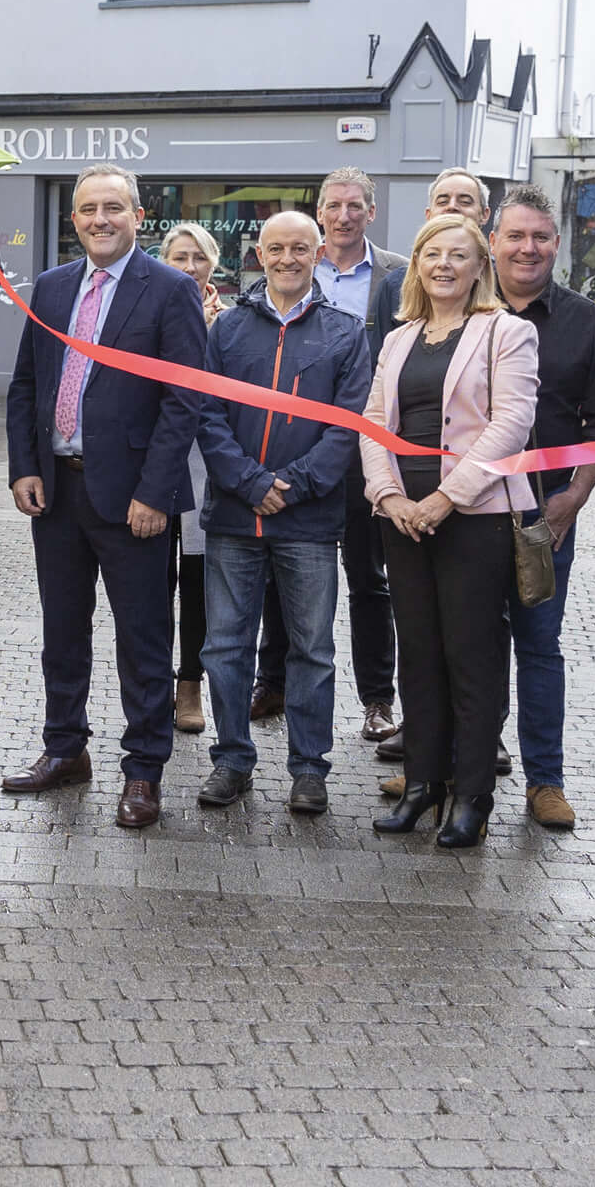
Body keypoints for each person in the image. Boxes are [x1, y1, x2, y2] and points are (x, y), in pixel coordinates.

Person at [1, 165, 206, 831]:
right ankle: (66, 750)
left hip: (135, 502)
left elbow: (185, 400)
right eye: (87, 209)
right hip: (57, 491)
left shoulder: (170, 290)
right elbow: (28, 383)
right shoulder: (55, 287)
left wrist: (156, 493)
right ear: (75, 219)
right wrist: (25, 466)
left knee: (143, 640)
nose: (99, 219)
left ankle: (143, 770)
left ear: (138, 217)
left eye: (113, 207)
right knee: (63, 633)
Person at [358, 213, 537, 850]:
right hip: (402, 518)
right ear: (417, 263)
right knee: (421, 657)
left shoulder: (506, 332)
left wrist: (444, 498)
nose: (443, 265)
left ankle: (470, 797)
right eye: (432, 253)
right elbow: (374, 422)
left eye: (458, 255)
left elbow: (511, 425)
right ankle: (421, 786)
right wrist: (388, 495)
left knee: (473, 659)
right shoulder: (398, 338)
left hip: (474, 517)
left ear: (479, 266)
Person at [191, 210, 370, 819]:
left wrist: (290, 487)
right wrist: (248, 483)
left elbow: (347, 428)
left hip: (309, 521)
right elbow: (205, 415)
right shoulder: (227, 330)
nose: (288, 258)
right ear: (258, 255)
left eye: (300, 248)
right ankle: (232, 761)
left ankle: (309, 769)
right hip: (236, 518)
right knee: (225, 647)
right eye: (276, 248)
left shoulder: (346, 332)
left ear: (318, 253)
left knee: (313, 650)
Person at [490, 187, 595, 830]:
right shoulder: (464, 310)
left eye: (540, 237)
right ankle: (457, 764)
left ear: (556, 245)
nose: (527, 248)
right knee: (466, 644)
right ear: (493, 241)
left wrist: (573, 498)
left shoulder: (584, 321)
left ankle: (546, 781)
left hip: (544, 516)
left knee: (539, 647)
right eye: (515, 235)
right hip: (466, 512)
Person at [308, 166, 405, 741]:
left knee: (370, 581)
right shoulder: (294, 261)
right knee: (287, 573)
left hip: (369, 453)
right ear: (320, 211)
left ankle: (377, 700)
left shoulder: (398, 272)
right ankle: (273, 682)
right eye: (333, 205)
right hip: (304, 445)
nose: (343, 216)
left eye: (354, 206)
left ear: (371, 212)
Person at [158, 220, 228, 735]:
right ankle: (154, 680)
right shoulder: (151, 308)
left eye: (198, 257)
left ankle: (190, 685)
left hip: (207, 467)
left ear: (213, 264)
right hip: (158, 464)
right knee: (153, 581)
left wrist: (205, 333)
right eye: (179, 257)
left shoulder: (231, 320)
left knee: (199, 582)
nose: (188, 266)